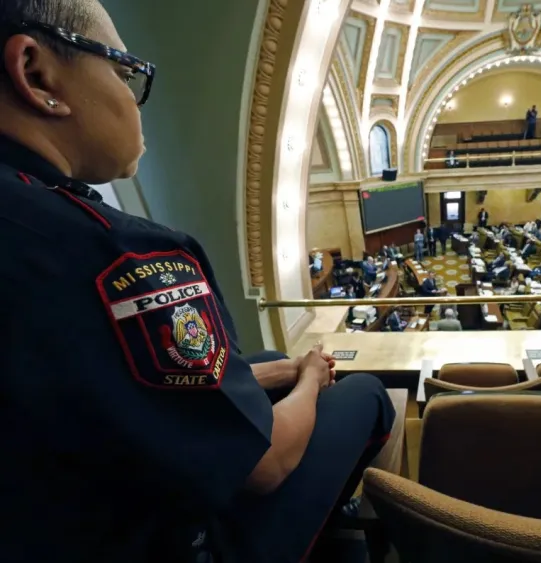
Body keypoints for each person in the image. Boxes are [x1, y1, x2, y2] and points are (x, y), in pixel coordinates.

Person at [0, 3, 395, 562]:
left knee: (267, 359)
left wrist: (283, 369)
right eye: (125, 72)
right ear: (37, 74)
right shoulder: (124, 255)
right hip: (156, 542)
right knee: (367, 394)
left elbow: (110, 379)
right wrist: (309, 377)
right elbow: (266, 463)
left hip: (43, 509)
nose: (135, 101)